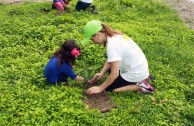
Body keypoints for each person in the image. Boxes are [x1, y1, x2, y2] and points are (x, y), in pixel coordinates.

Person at [82, 20, 155, 94]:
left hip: (136, 72)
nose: (93, 42)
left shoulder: (112, 46)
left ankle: (140, 86)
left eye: (92, 39)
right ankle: (144, 77)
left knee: (110, 88)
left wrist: (100, 88)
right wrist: (102, 73)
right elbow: (111, 58)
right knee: (110, 70)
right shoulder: (115, 35)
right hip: (139, 67)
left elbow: (115, 73)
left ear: (97, 35)